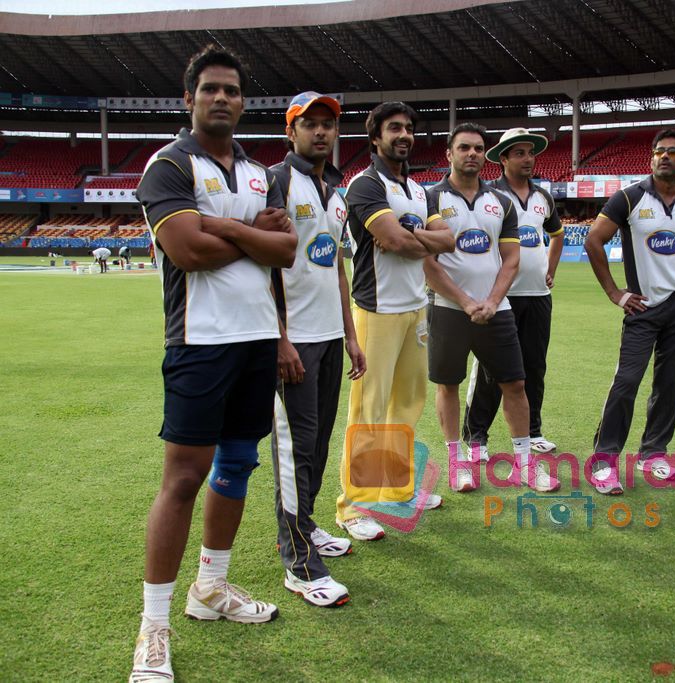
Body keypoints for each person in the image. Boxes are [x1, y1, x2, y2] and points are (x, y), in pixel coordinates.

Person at [131, 45, 297, 682]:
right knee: (182, 478)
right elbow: (186, 252)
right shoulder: (168, 164)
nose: (221, 98)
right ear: (189, 99)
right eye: (210, 90)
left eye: (231, 90)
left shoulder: (261, 172)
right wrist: (250, 234)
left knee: (238, 462)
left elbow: (285, 252)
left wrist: (224, 228)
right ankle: (153, 626)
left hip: (256, 338)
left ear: (243, 100)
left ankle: (211, 589)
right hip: (199, 342)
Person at [336, 102, 454, 541]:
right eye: (393, 128)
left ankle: (397, 490)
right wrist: (415, 240)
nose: (403, 134)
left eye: (407, 128)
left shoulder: (423, 192)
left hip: (414, 308)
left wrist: (412, 240)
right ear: (375, 138)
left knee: (406, 404)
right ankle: (353, 506)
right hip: (376, 311)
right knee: (369, 409)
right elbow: (390, 238)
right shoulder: (364, 185)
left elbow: (447, 241)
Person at [267, 92, 366, 607]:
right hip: (294, 340)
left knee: (320, 441)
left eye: (329, 124)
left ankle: (306, 525)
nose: (322, 132)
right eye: (311, 124)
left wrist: (350, 335)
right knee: (295, 449)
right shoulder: (276, 182)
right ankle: (299, 563)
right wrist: (280, 338)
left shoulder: (337, 191)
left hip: (330, 336)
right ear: (292, 132)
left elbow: (336, 268)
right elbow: (265, 266)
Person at [425, 122, 559, 494]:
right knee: (449, 385)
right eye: (464, 147)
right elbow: (428, 261)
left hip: (495, 310)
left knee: (515, 383)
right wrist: (466, 300)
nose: (472, 154)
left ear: (486, 156)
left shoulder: (499, 202)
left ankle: (525, 465)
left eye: (478, 148)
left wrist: (493, 301)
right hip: (449, 309)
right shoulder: (430, 199)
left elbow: (511, 258)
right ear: (449, 154)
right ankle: (457, 465)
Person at [584, 129, 675, 495]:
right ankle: (605, 462)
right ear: (651, 158)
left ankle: (653, 454)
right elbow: (593, 239)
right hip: (642, 307)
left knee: (671, 384)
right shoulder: (629, 199)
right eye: (658, 151)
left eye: (672, 153)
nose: (664, 157)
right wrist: (615, 292)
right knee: (626, 382)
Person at [461, 128, 564, 462]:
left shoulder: (542, 198)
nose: (527, 159)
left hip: (537, 295)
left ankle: (532, 432)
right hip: (500, 299)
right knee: (491, 371)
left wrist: (551, 268)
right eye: (519, 153)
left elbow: (557, 234)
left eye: (530, 153)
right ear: (503, 159)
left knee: (534, 367)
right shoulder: (488, 196)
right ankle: (476, 437)